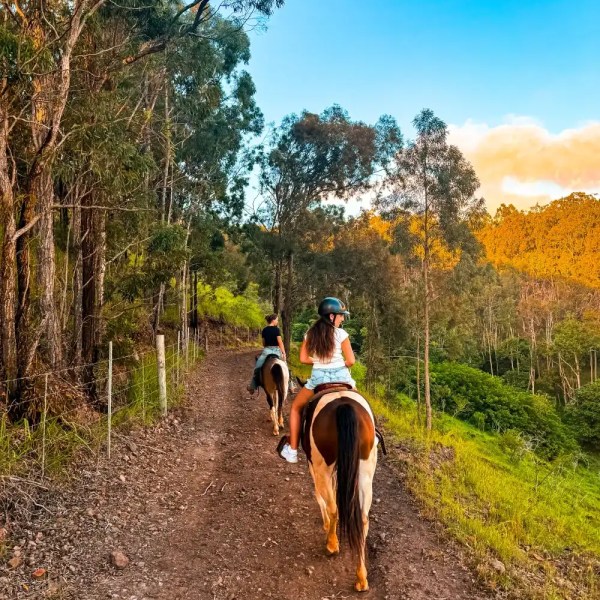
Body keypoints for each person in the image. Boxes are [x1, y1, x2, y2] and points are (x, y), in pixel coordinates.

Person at [279, 297, 356, 464]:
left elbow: (303, 358)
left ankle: (292, 451)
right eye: (340, 315)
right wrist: (337, 363)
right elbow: (351, 361)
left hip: (319, 378)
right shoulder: (341, 334)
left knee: (296, 408)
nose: (342, 319)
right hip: (342, 376)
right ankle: (374, 435)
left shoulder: (310, 333)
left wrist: (319, 361)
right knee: (361, 403)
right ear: (331, 316)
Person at [247, 314, 287, 394]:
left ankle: (253, 386)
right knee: (285, 366)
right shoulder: (277, 330)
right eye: (277, 320)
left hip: (267, 350)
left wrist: (267, 347)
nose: (277, 321)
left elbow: (264, 343)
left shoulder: (264, 330)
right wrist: (283, 353)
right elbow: (280, 342)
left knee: (257, 367)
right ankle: (290, 384)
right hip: (276, 350)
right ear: (273, 320)